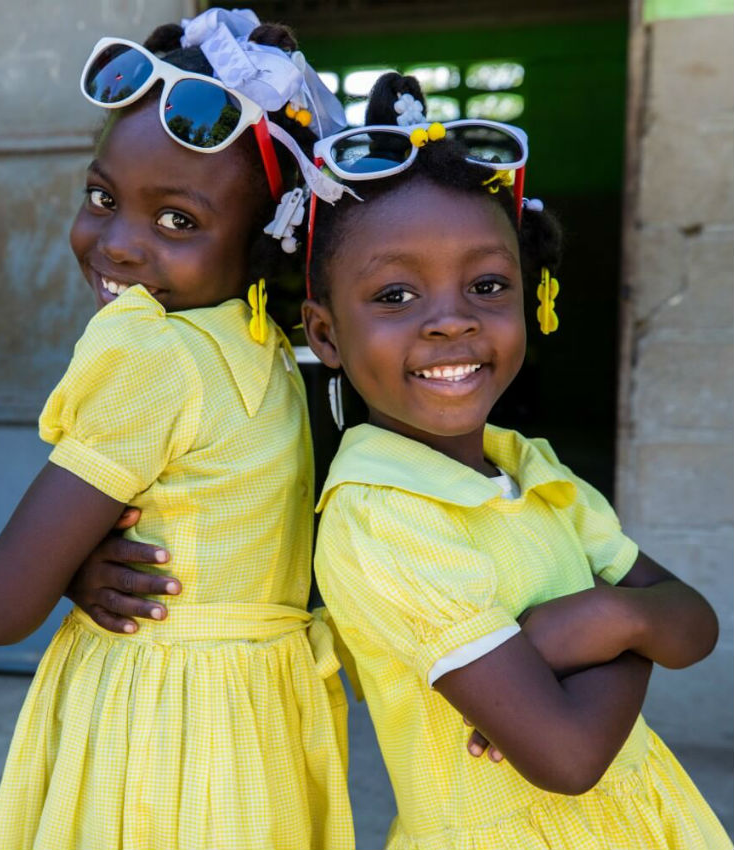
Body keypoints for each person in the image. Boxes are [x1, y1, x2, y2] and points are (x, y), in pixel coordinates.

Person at [299, 71, 731, 849]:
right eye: (395, 296)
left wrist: (604, 620)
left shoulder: (530, 466)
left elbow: (697, 623)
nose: (450, 322)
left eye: (487, 284)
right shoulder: (381, 518)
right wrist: (630, 625)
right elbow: (565, 755)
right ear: (325, 334)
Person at [0, 10, 355, 850]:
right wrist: (72, 569)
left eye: (176, 220)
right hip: (255, 721)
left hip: (155, 725)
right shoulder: (277, 358)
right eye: (102, 197)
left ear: (263, 243)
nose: (117, 244)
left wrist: (64, 573)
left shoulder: (151, 355)